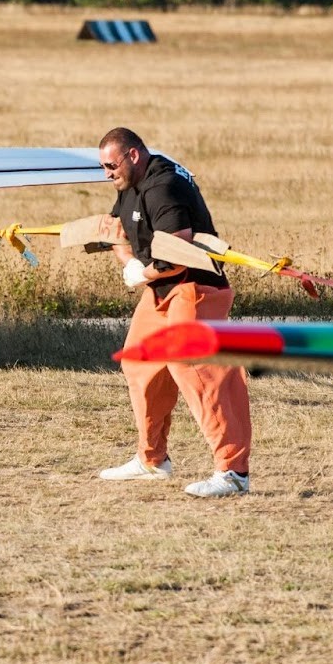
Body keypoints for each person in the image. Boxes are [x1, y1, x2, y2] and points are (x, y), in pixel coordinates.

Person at [95, 127, 251, 498]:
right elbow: (117, 230)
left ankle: (233, 473)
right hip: (161, 289)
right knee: (139, 361)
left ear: (134, 155)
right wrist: (130, 263)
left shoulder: (163, 186)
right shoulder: (129, 182)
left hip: (196, 286)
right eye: (103, 167)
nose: (107, 174)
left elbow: (177, 254)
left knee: (194, 367)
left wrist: (142, 274)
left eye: (111, 166)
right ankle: (152, 460)